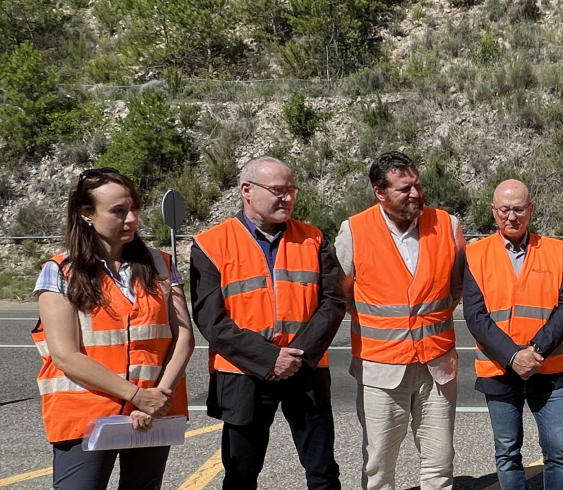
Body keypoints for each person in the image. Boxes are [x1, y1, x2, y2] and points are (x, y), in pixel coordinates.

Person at [191, 157, 346, 490]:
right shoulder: (211, 244)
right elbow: (210, 318)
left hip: (305, 369)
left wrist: (297, 356)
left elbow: (333, 302)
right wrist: (268, 358)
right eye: (278, 190)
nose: (287, 198)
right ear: (247, 190)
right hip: (243, 374)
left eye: (292, 190)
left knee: (322, 472)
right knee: (241, 473)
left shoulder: (314, 238)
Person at [34, 167, 193, 490]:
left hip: (153, 410)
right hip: (86, 415)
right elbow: (65, 355)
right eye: (118, 211)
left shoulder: (160, 264)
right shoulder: (60, 271)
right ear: (86, 214)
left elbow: (183, 338)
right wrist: (135, 395)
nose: (131, 218)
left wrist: (156, 398)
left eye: (134, 207)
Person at [335, 152, 467, 490]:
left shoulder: (447, 225)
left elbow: (455, 288)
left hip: (436, 364)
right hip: (381, 368)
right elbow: (343, 293)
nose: (415, 194)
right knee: (379, 468)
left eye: (418, 186)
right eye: (404, 189)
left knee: (439, 465)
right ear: (380, 192)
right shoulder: (354, 231)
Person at [463, 180, 563, 490]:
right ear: (493, 210)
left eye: (518, 209)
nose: (511, 217)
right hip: (499, 371)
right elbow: (475, 316)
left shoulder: (553, 250)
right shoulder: (475, 254)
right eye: (504, 210)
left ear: (530, 209)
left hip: (546, 369)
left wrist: (535, 351)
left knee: (558, 451)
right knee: (507, 453)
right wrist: (513, 356)